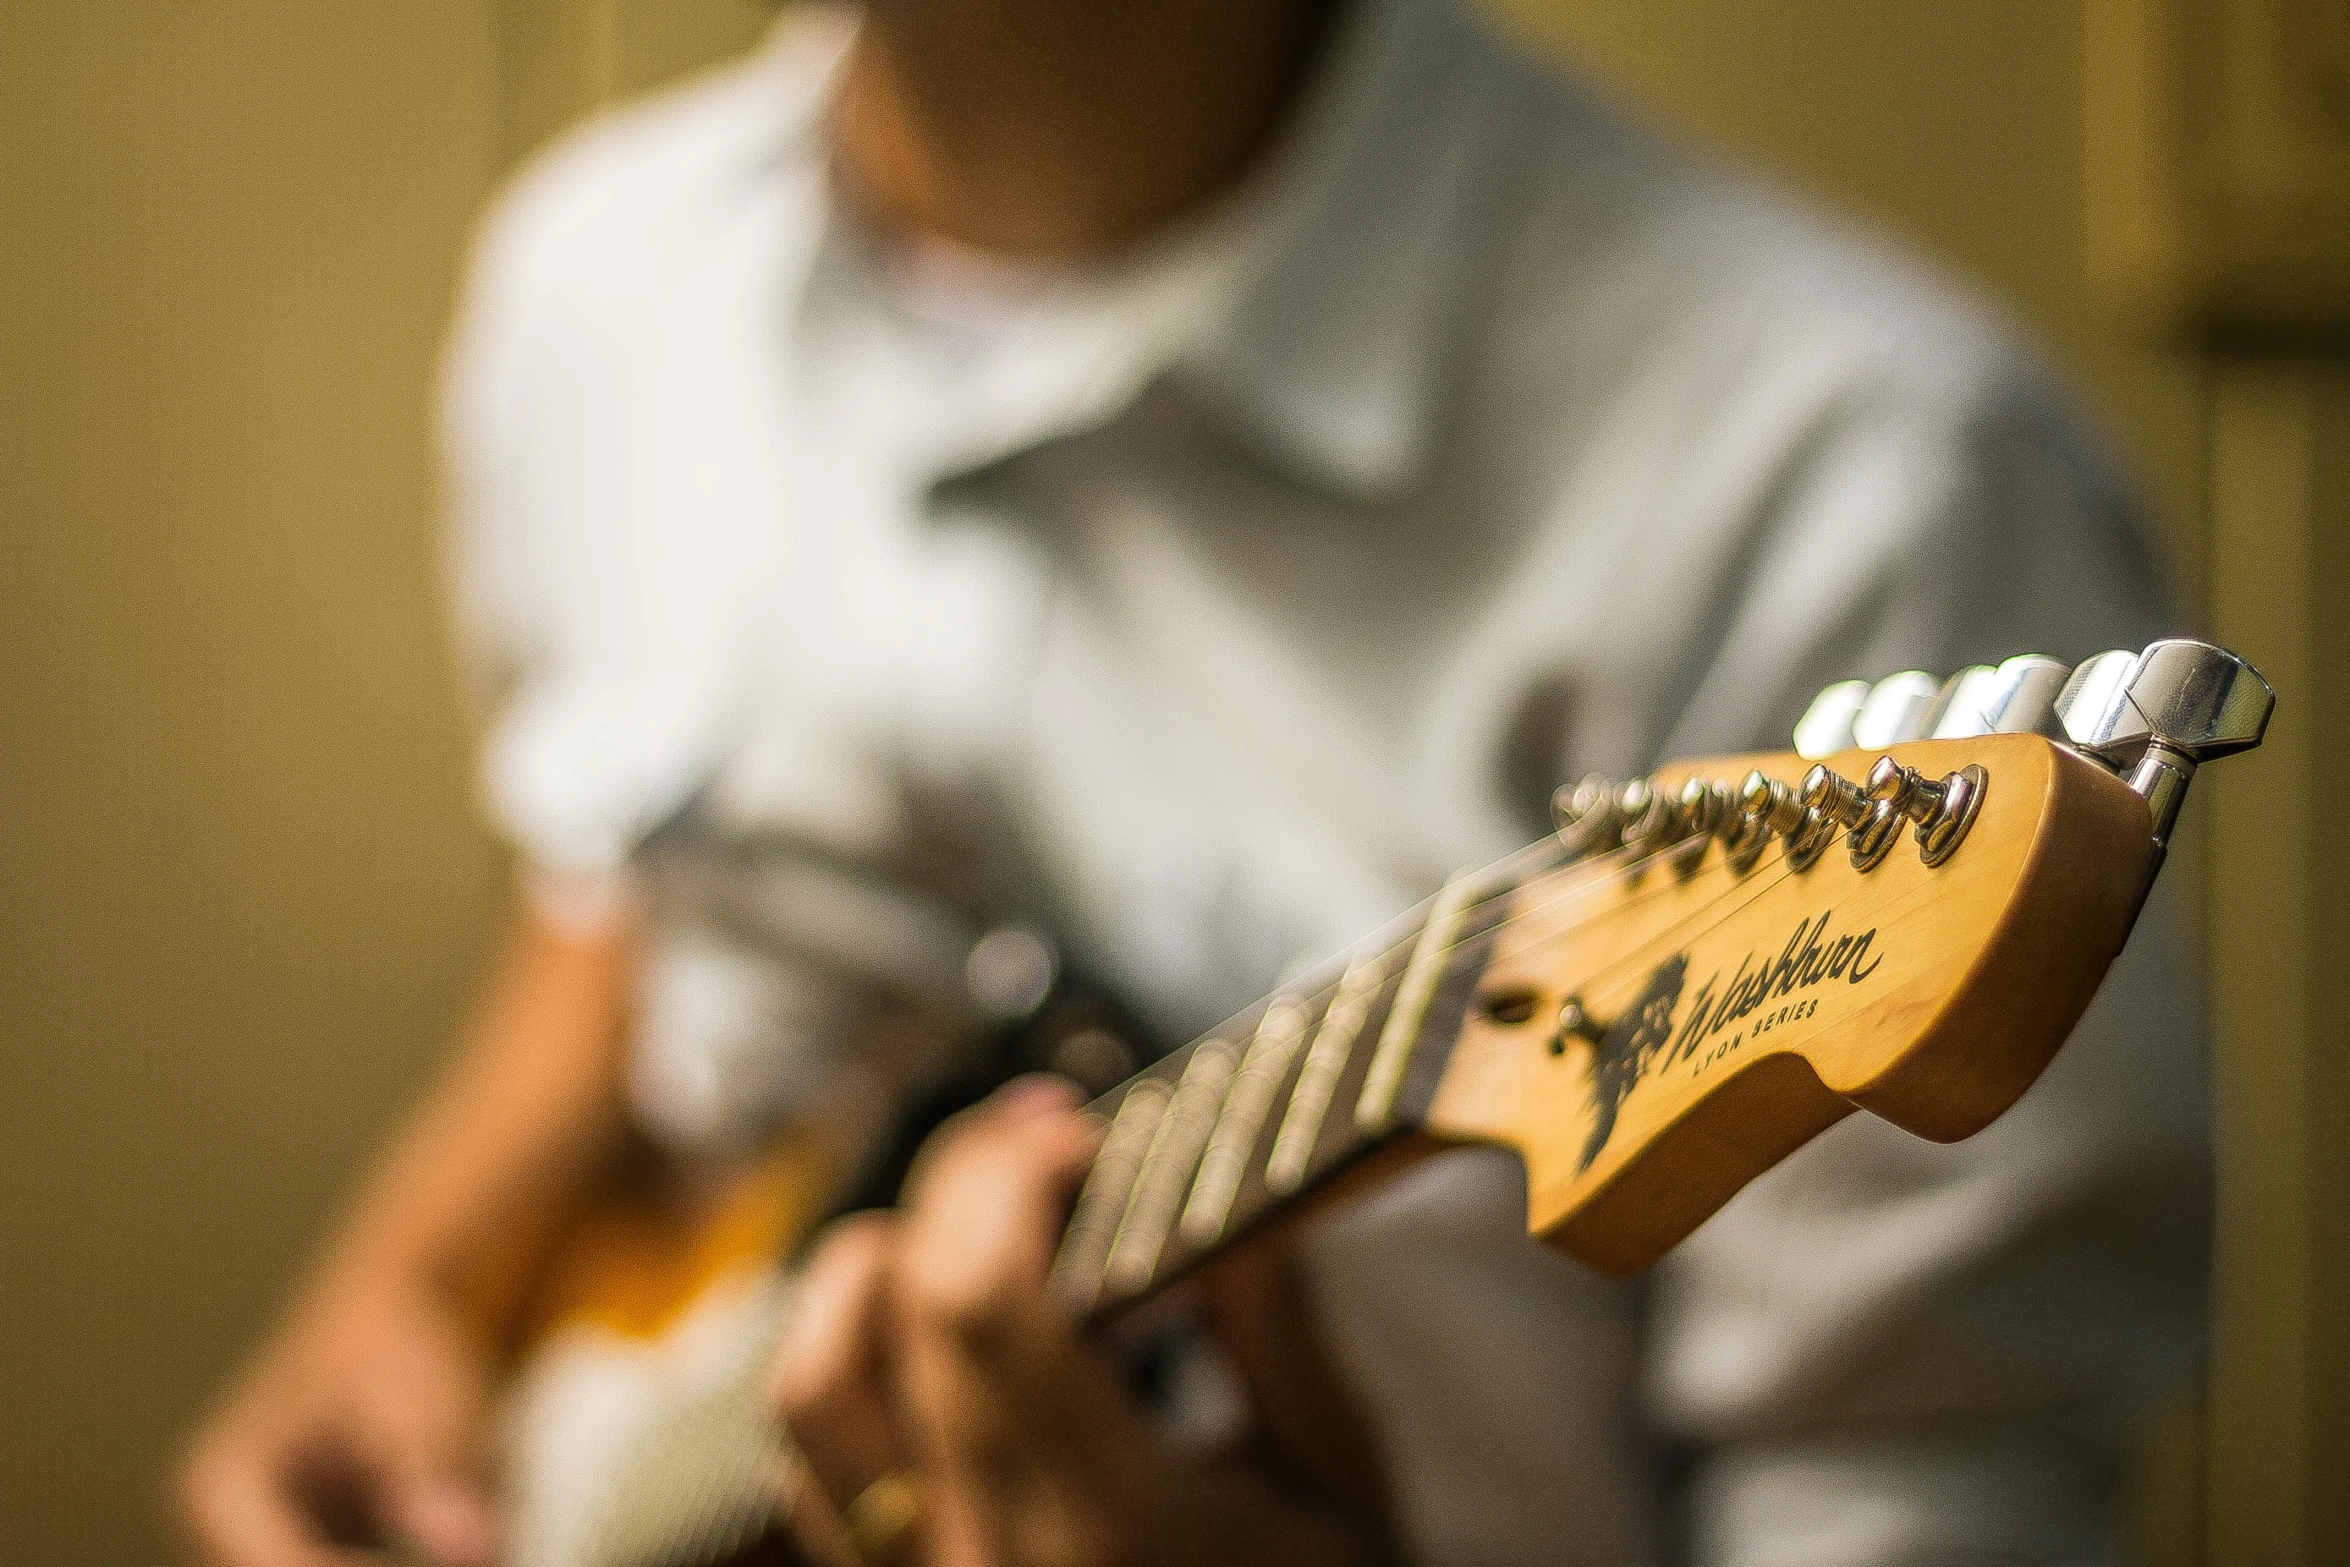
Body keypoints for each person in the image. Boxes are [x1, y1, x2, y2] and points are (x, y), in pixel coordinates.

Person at [177, 0, 2211, 1562]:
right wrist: (405, 1287)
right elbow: (620, 904)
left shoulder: (1858, 491)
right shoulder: (596, 288)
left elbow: (1906, 1489)